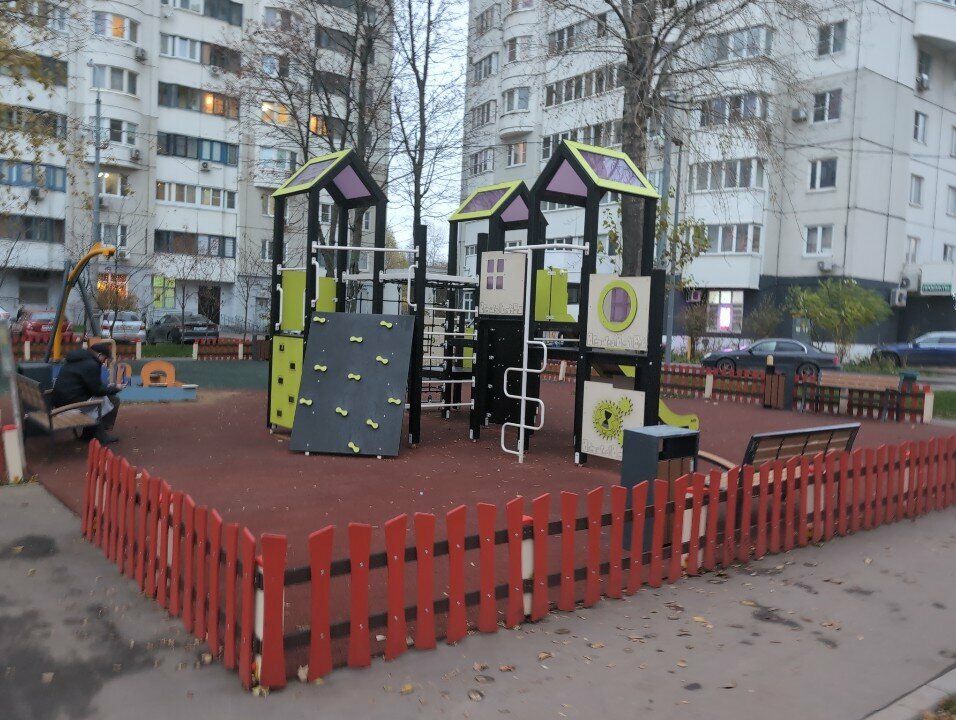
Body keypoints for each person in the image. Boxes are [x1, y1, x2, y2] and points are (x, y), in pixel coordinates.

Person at [51, 342, 124, 444]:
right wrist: (116, 388)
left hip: (60, 402)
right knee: (112, 399)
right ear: (99, 355)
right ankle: (101, 435)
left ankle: (87, 434)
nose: (104, 362)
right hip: (71, 406)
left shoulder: (76, 359)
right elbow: (98, 391)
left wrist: (108, 387)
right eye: (105, 358)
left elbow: (88, 384)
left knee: (101, 399)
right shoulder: (91, 364)